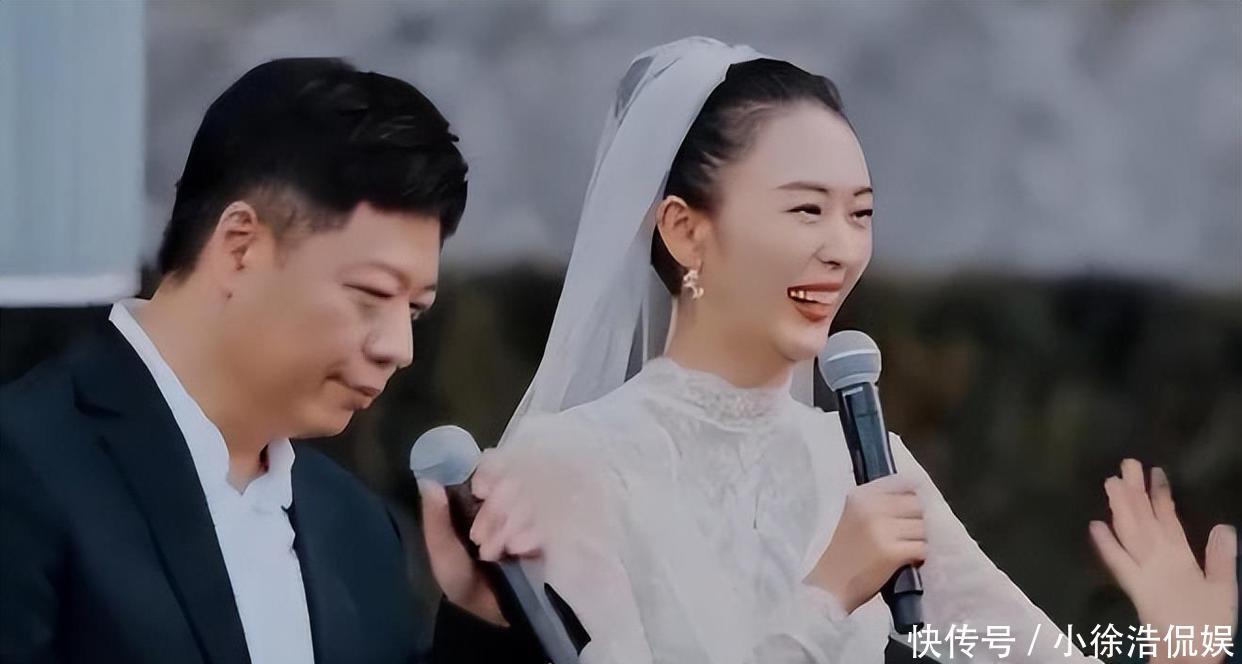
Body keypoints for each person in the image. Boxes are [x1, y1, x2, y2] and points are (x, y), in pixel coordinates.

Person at [497, 37, 1238, 664]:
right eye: (807, 209)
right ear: (686, 230)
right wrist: (828, 593)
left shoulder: (859, 462)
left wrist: (1186, 648)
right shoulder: (565, 464)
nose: (843, 249)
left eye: (860, 214)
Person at [0, 58, 546, 664]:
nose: (399, 347)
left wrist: (477, 619)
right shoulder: (24, 464)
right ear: (241, 247)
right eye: (371, 294)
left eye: (415, 310)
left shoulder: (359, 528)